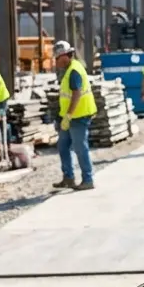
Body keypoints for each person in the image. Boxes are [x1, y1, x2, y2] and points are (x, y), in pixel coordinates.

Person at [51, 40, 96, 190]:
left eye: (57, 58)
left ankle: (88, 179)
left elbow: (76, 94)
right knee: (63, 146)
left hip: (79, 115)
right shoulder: (68, 70)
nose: (56, 62)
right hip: (69, 117)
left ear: (64, 56)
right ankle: (68, 177)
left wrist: (68, 115)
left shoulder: (74, 70)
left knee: (80, 147)